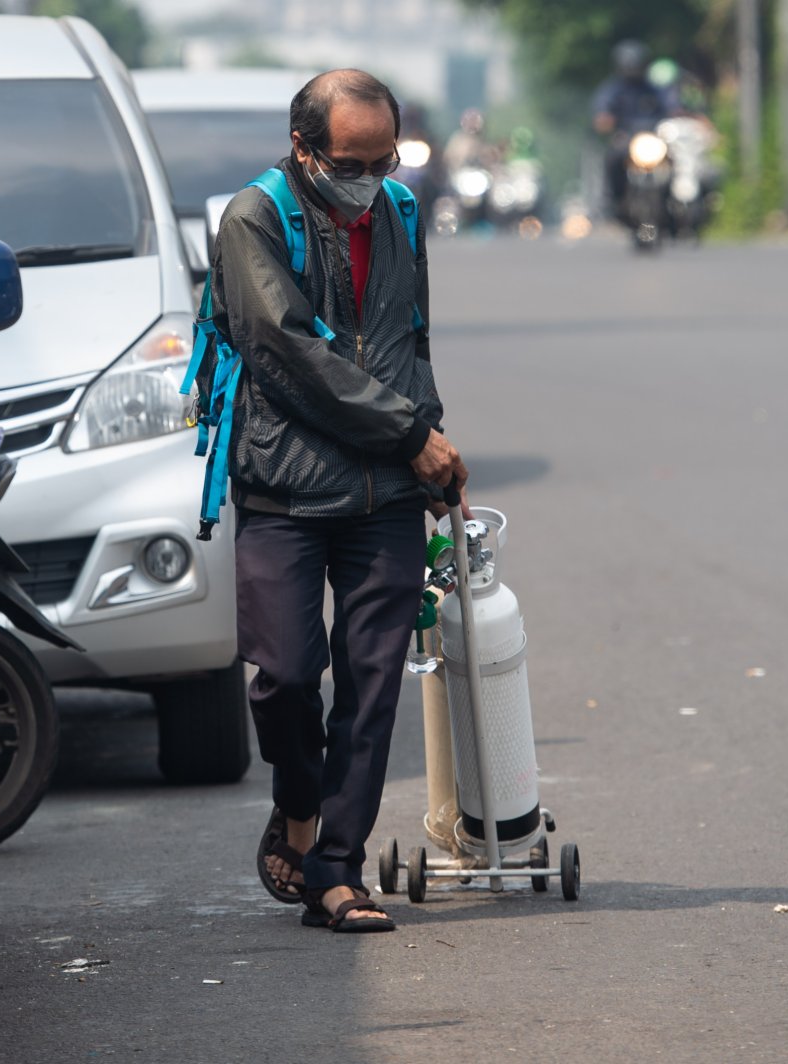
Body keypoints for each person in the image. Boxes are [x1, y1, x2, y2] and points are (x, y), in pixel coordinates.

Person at [209, 69, 469, 933]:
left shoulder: (397, 209)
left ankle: (337, 870)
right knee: (284, 675)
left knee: (372, 683)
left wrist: (428, 452)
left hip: (388, 490)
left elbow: (409, 339)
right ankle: (297, 801)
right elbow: (286, 355)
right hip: (283, 484)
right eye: (350, 161)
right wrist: (408, 435)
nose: (368, 176)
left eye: (382, 157)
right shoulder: (254, 218)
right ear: (303, 148)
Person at [592, 40, 676, 220]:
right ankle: (615, 199)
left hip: (653, 140)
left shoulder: (654, 89)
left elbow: (671, 108)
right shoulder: (612, 90)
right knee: (613, 158)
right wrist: (605, 120)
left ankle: (674, 202)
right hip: (627, 140)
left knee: (676, 160)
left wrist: (680, 115)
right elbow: (602, 112)